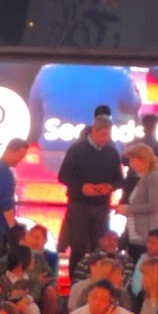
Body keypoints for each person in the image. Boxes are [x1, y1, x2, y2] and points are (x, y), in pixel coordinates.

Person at [57, 115, 124, 277]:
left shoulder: (112, 152)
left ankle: (96, 281)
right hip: (79, 205)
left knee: (99, 248)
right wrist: (81, 187)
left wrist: (110, 187)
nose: (105, 138)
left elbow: (120, 180)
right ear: (94, 131)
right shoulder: (76, 149)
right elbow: (63, 175)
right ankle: (75, 284)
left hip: (101, 206)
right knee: (78, 246)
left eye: (108, 135)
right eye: (103, 134)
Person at [119, 145, 158, 263]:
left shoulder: (155, 177)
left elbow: (154, 205)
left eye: (133, 160)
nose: (131, 164)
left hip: (146, 235)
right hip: (135, 235)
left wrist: (128, 208)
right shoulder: (144, 178)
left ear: (142, 159)